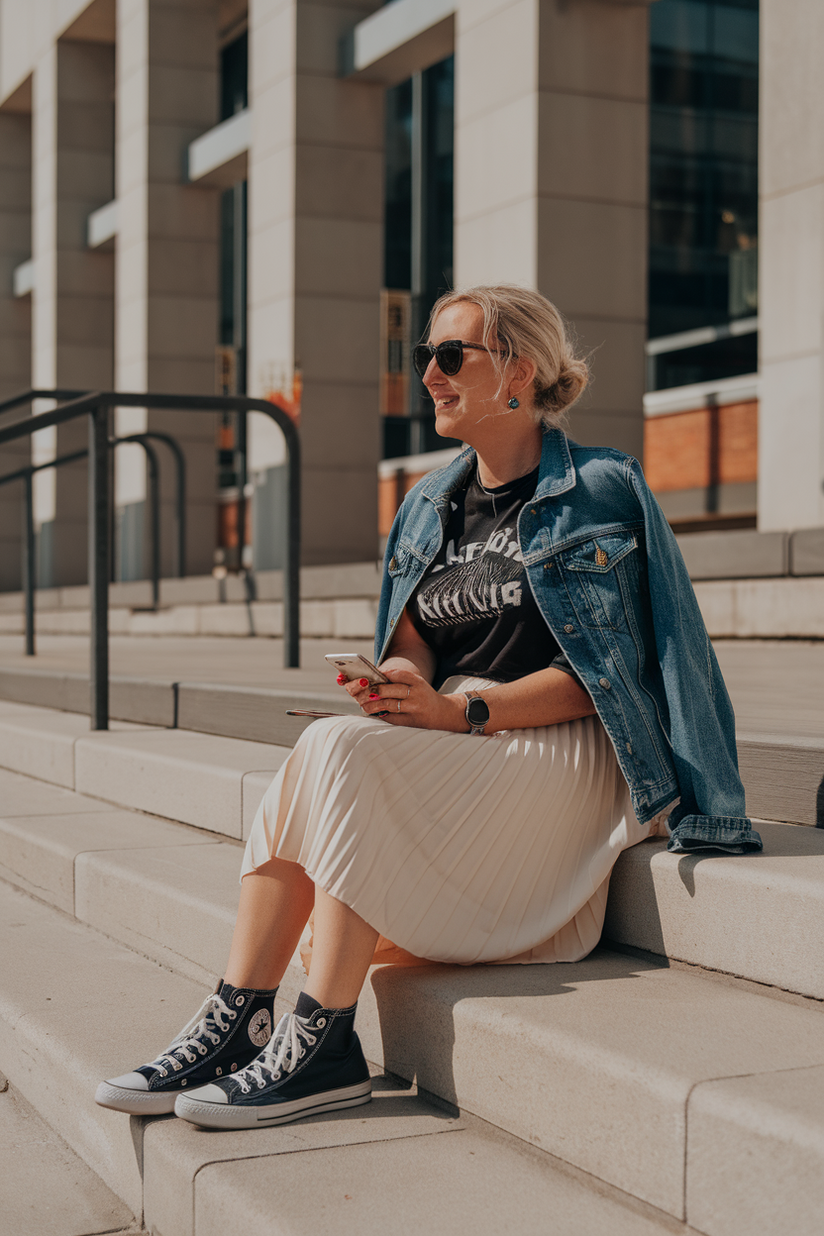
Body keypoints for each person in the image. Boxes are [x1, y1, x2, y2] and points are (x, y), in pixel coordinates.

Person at [95, 284, 761, 1131]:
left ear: (518, 369)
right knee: (339, 740)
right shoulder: (428, 504)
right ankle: (240, 1015)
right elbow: (417, 642)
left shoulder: (602, 487)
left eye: (452, 356)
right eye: (426, 359)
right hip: (464, 739)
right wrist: (398, 686)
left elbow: (617, 669)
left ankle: (320, 1036)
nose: (430, 377)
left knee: (342, 753)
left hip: (564, 749)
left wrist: (465, 716)